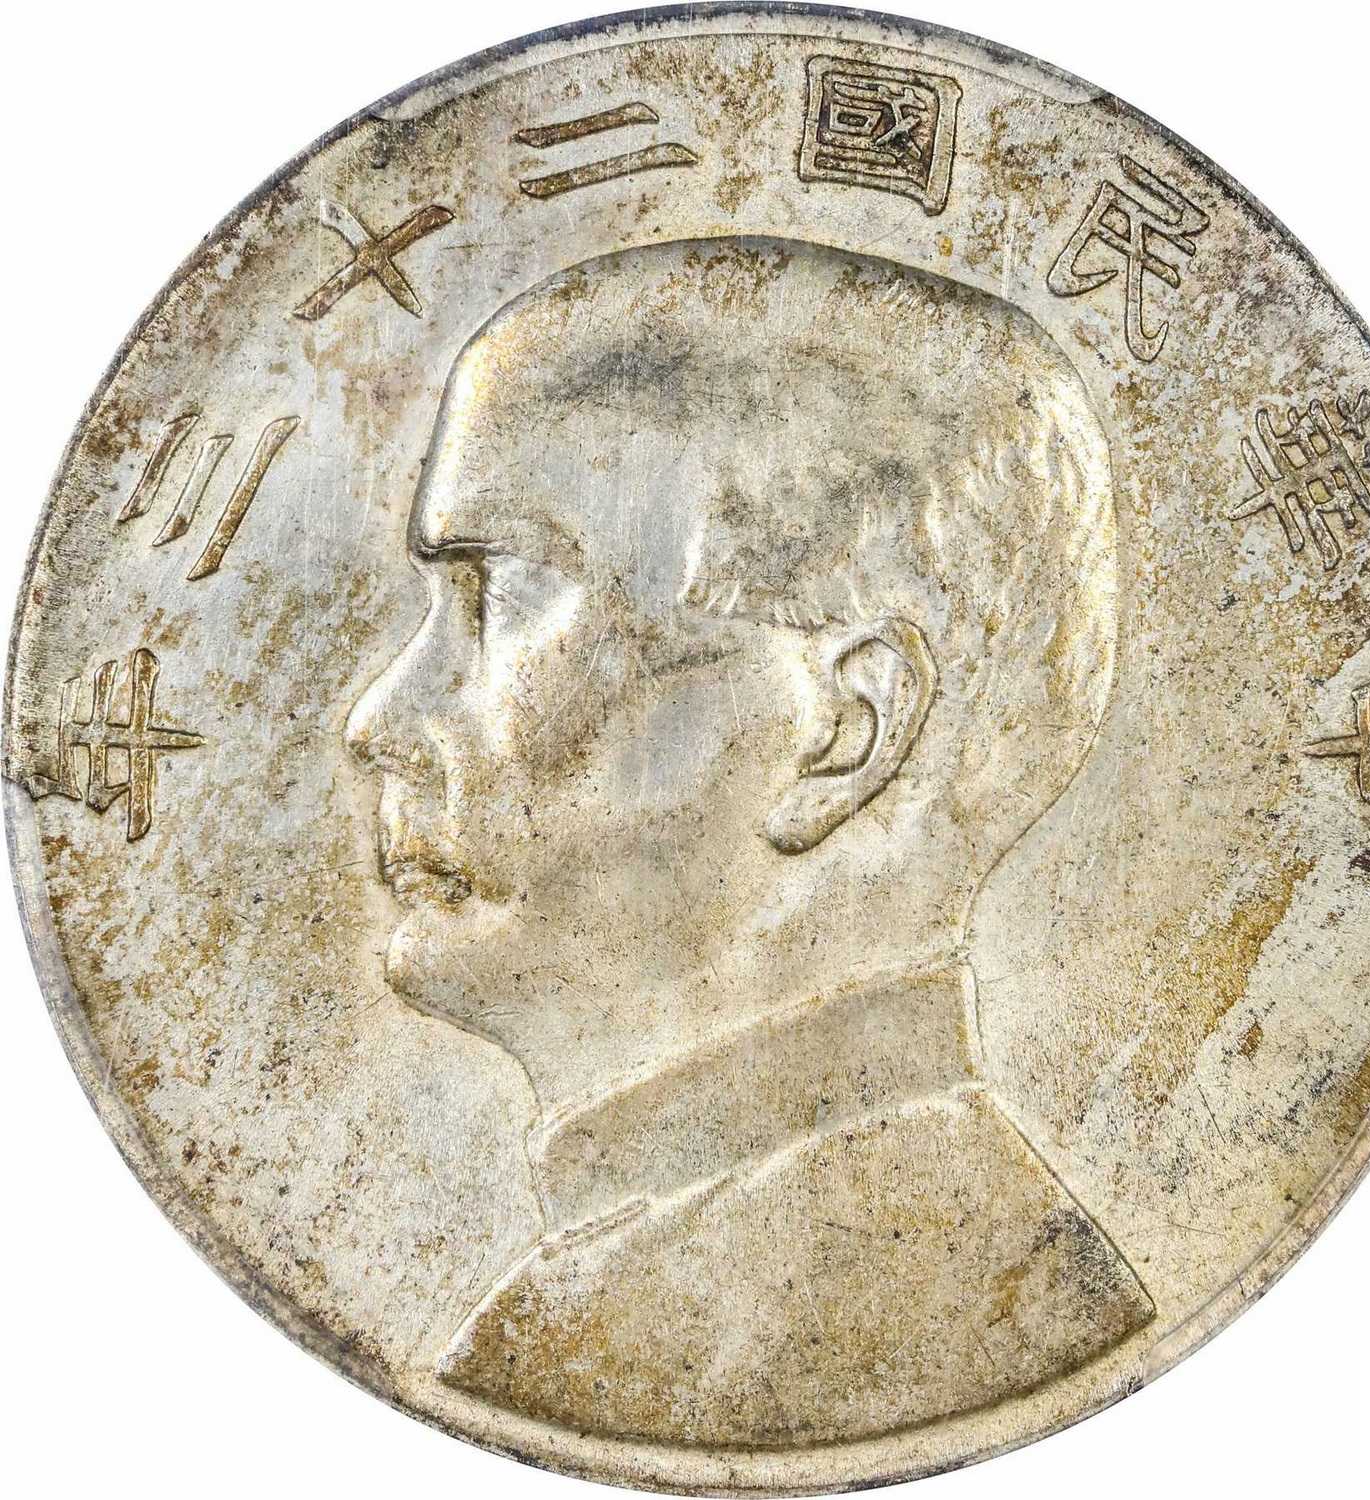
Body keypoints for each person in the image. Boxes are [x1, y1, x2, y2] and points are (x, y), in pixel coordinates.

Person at [343, 237, 1149, 1447]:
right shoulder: (684, 1276)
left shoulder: (818, 1311)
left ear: (844, 733)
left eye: (498, 596)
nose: (379, 722)